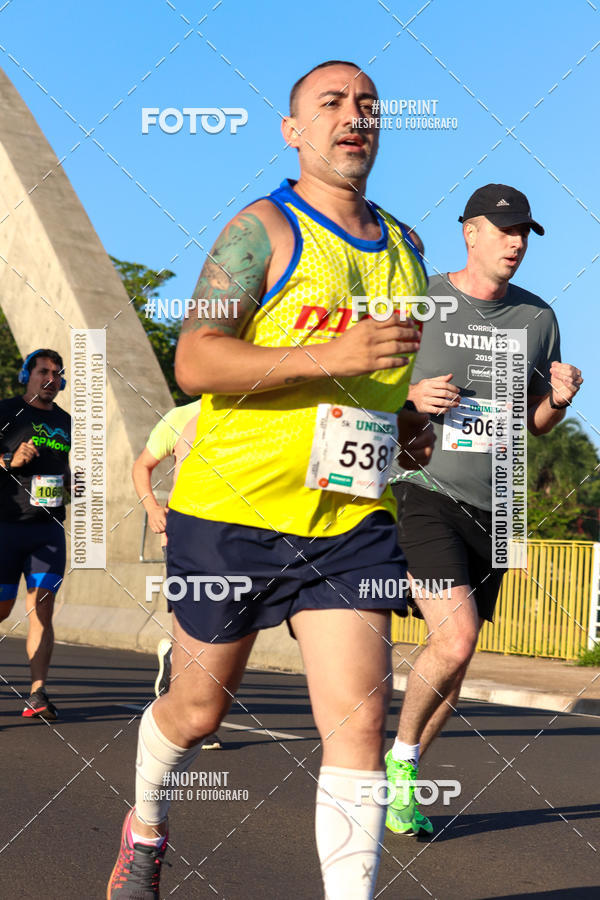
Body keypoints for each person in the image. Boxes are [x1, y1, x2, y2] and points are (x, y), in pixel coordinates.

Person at [107, 59, 435, 900]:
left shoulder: (407, 246)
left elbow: (375, 382)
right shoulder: (263, 229)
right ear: (294, 131)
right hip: (232, 512)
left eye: (367, 105)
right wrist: (330, 354)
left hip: (348, 519)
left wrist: (403, 427)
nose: (353, 117)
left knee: (359, 727)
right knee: (197, 713)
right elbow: (195, 358)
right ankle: (146, 826)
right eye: (331, 104)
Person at [385, 183, 583, 837]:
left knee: (460, 655)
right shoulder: (425, 299)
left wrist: (559, 398)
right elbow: (363, 382)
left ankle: (403, 768)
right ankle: (400, 771)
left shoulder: (538, 319)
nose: (517, 242)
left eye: (525, 232)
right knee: (456, 634)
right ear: (470, 233)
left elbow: (538, 425)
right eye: (504, 229)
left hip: (497, 502)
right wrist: (410, 393)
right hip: (426, 487)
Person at [132, 399, 222, 750]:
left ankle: (175, 659)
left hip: (235, 537)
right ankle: (197, 718)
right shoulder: (181, 416)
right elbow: (143, 466)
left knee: (222, 625)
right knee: (198, 621)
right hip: (186, 535)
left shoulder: (256, 413)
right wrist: (152, 508)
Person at [0, 349, 71, 721]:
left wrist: (73, 483)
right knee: (2, 609)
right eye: (43, 371)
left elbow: (67, 468)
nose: (50, 378)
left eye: (57, 373)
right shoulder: (4, 411)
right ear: (27, 374)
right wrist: (10, 461)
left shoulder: (67, 421)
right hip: (5, 527)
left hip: (48, 528)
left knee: (42, 608)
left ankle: (38, 693)